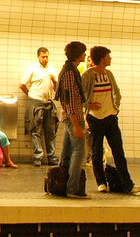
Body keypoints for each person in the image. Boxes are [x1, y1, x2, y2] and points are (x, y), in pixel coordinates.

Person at [81, 46, 140, 193]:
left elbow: (117, 92)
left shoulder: (109, 74)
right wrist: (89, 105)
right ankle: (101, 183)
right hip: (95, 118)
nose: (110, 59)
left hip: (110, 117)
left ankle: (128, 185)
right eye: (108, 56)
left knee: (118, 151)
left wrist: (115, 109)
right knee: (96, 151)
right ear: (102, 58)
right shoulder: (88, 75)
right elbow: (80, 96)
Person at [57, 41, 88, 197]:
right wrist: (76, 124)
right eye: (83, 52)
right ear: (77, 55)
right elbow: (69, 99)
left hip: (71, 116)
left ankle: (60, 183)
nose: (85, 55)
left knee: (66, 152)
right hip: (73, 117)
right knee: (79, 151)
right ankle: (72, 189)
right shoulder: (70, 72)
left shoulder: (71, 69)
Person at [19, 46, 59, 167]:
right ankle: (38, 157)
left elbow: (57, 89)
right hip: (35, 102)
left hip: (48, 103)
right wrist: (31, 95)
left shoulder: (52, 70)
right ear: (38, 57)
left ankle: (52, 157)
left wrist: (55, 82)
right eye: (43, 57)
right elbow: (22, 85)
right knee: (35, 131)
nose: (45, 59)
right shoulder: (33, 69)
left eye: (47, 56)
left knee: (50, 132)